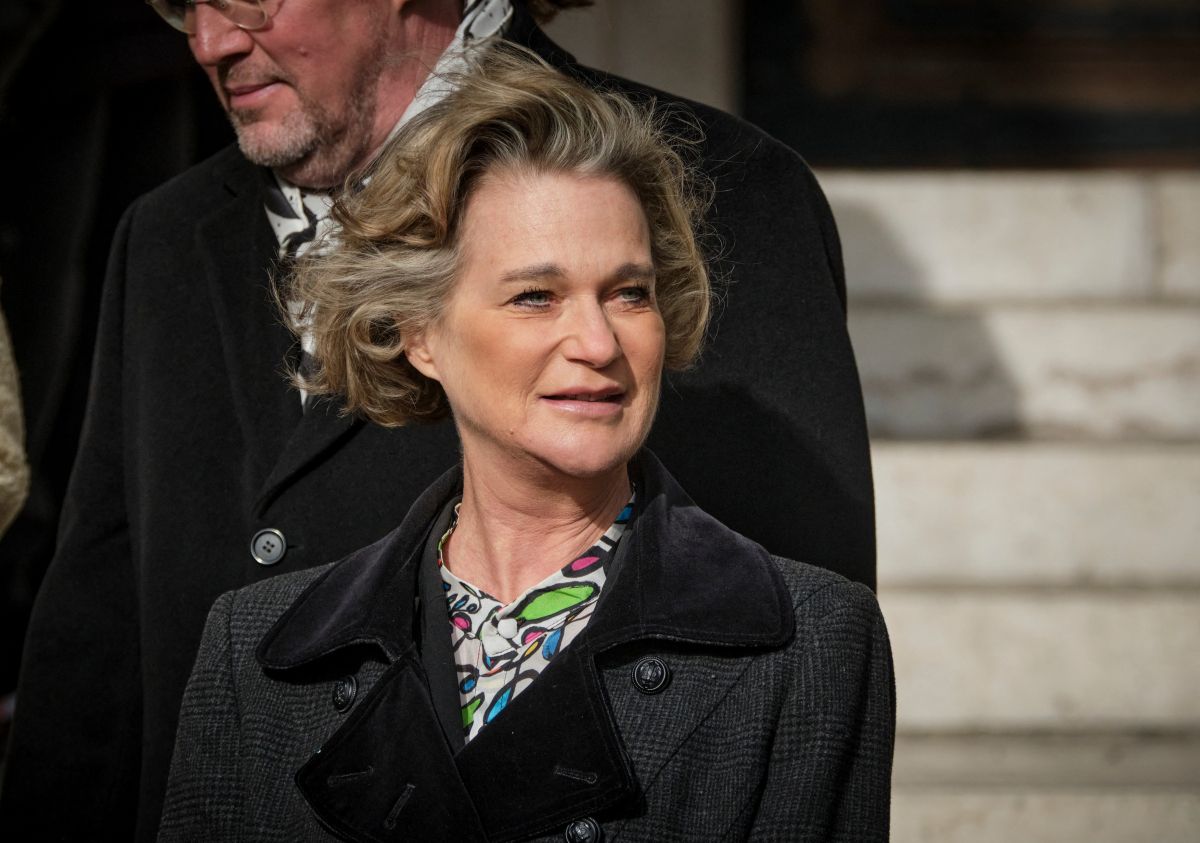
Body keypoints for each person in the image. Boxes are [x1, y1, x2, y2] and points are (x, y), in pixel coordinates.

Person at [1, 0, 874, 839]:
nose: (207, 41)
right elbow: (95, 645)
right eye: (180, 2)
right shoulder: (162, 233)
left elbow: (785, 661)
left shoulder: (727, 188)